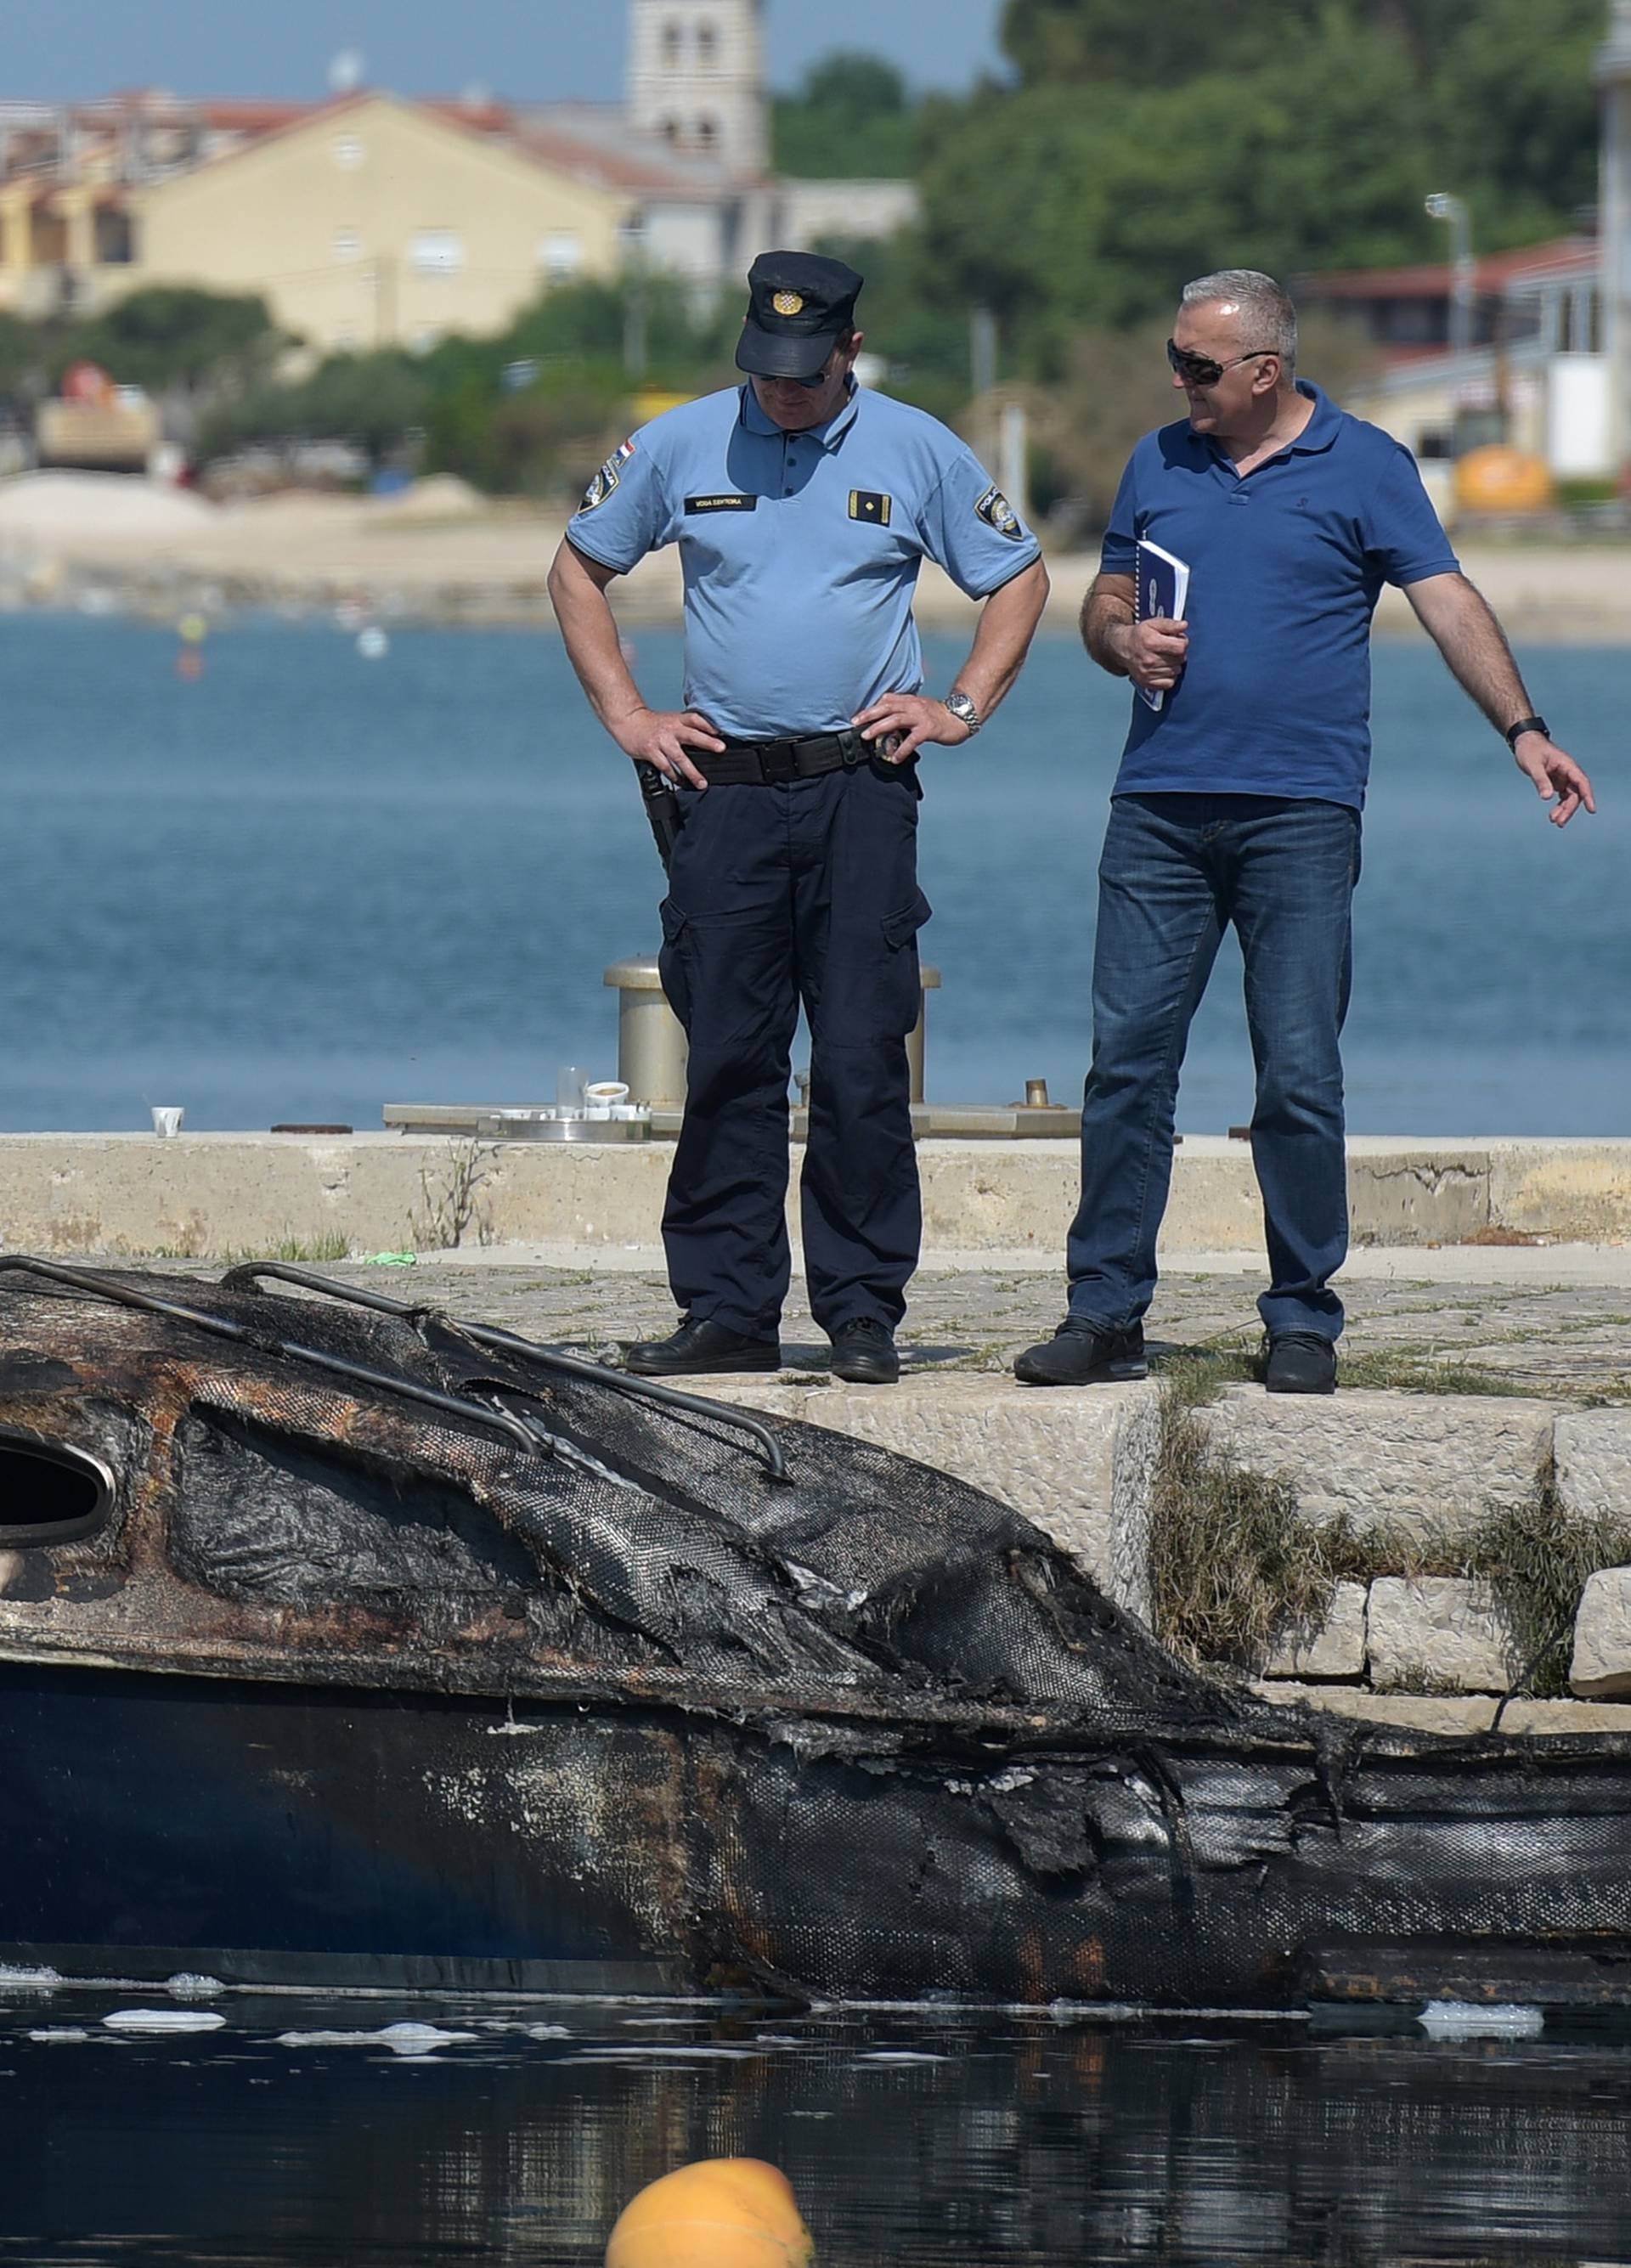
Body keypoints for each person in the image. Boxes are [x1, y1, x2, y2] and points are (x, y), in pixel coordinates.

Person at [1015, 268, 1594, 1396]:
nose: (1176, 379)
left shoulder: (1369, 466)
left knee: (1298, 1074)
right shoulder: (1158, 462)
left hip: (1300, 814)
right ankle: (1104, 1313)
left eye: (1197, 364)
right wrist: (1119, 643)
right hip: (1158, 814)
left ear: (1266, 372)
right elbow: (1104, 599)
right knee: (1129, 1068)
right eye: (1172, 357)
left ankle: (1301, 1317)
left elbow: (1450, 600)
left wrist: (1523, 728)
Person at [549, 250, 1048, 1384]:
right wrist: (629, 713)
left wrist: (961, 703)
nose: (783, 390)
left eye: (805, 372)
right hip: (722, 791)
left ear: (849, 351)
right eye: (765, 370)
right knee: (728, 1051)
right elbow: (577, 571)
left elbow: (1017, 578)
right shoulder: (677, 444)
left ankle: (863, 1308)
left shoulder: (916, 446)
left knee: (864, 1051)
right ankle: (727, 1307)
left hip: (859, 789)